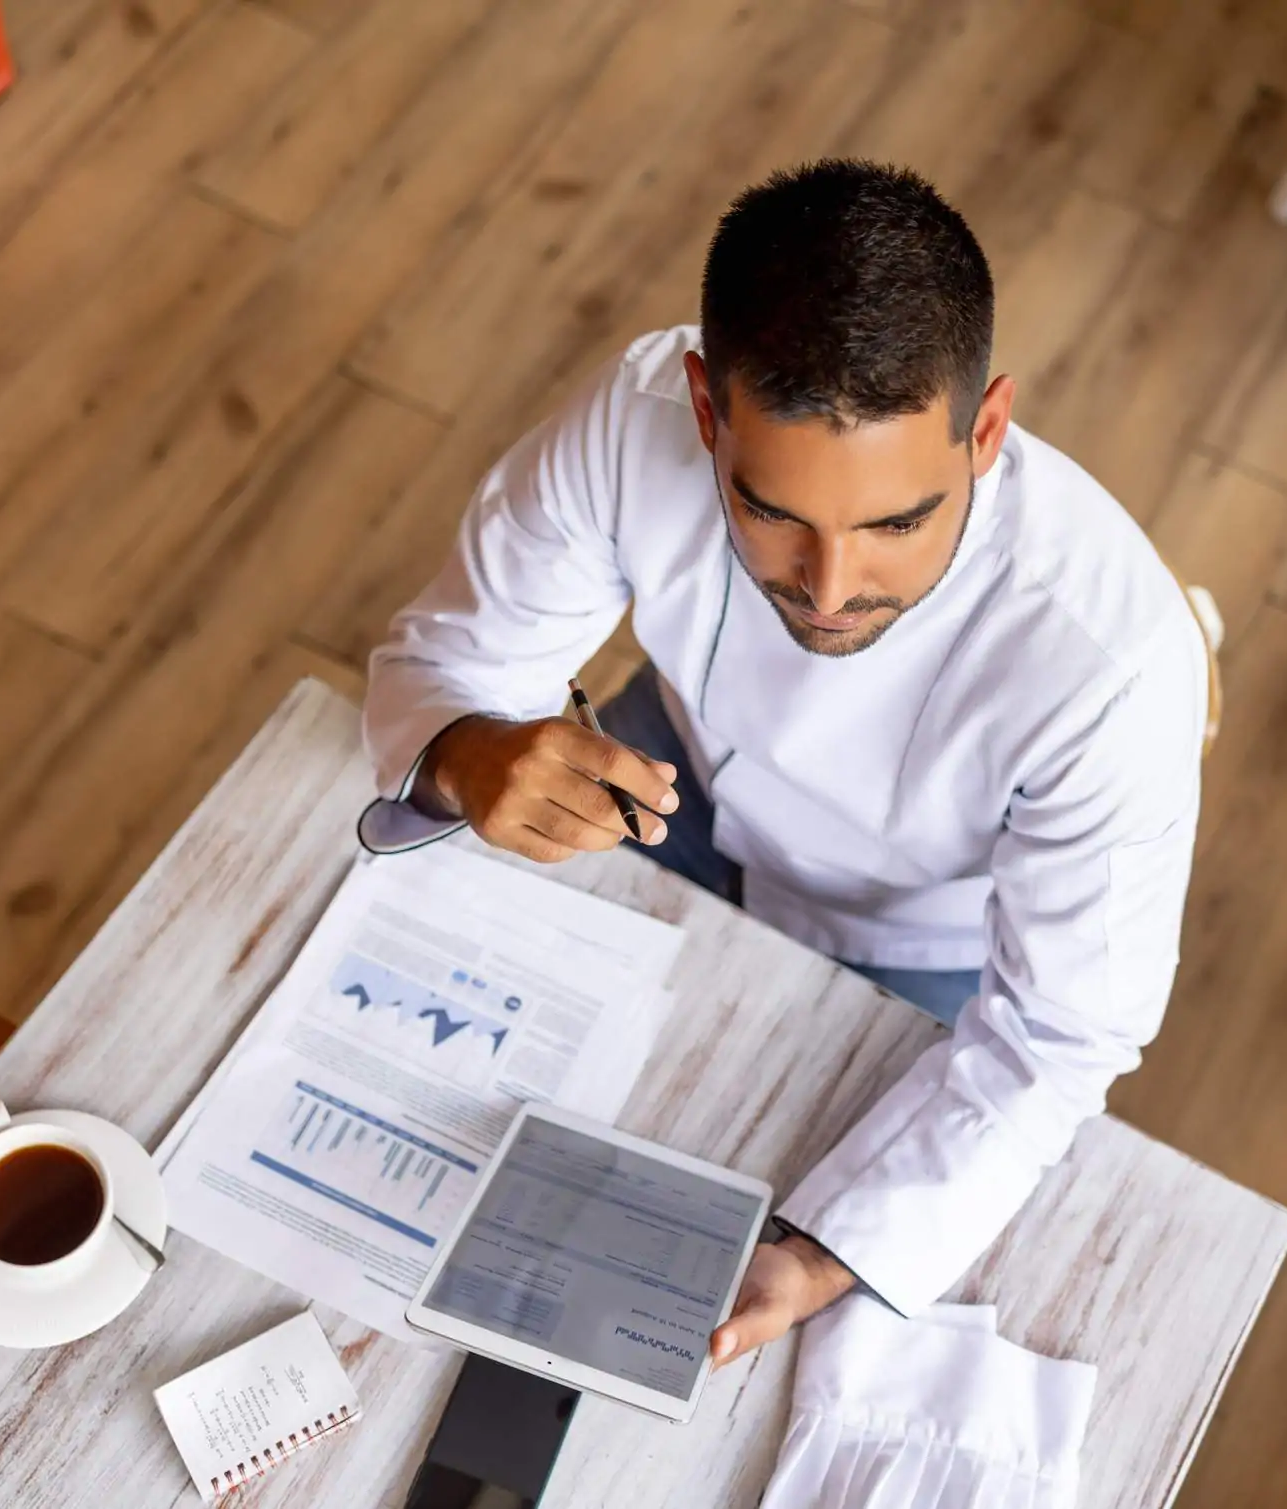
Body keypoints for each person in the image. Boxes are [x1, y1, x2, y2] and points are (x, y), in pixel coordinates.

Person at [358, 160, 1205, 1366]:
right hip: (680, 781)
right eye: (772, 511)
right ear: (706, 411)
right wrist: (464, 750)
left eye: (898, 521)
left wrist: (820, 1253)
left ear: (990, 429)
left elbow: (1064, 1033)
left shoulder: (1111, 664)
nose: (830, 587)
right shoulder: (630, 423)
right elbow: (451, 655)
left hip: (936, 933)